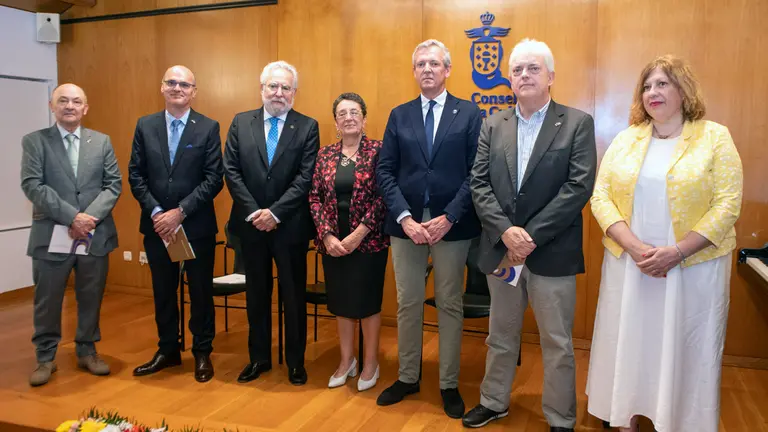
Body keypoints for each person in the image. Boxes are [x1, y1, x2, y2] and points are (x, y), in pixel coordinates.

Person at [586, 55, 743, 432]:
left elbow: (728, 203)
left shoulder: (714, 137)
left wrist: (676, 251)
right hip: (632, 265)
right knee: (631, 343)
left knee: (683, 347)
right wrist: (637, 247)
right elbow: (600, 197)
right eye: (647, 85)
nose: (652, 92)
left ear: (683, 90)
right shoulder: (627, 139)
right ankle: (626, 417)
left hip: (693, 269)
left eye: (662, 84)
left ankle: (678, 421)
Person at [464, 38, 597, 431]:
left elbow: (578, 188)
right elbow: (479, 184)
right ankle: (493, 401)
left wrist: (530, 236)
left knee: (557, 343)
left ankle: (560, 417)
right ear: (509, 79)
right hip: (504, 252)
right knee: (500, 334)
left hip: (551, 253)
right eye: (518, 69)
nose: (524, 75)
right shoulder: (494, 123)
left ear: (551, 77)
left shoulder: (576, 123)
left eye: (533, 68)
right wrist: (507, 233)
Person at [376, 39, 482, 418]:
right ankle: (408, 377)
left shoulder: (469, 114)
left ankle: (448, 384)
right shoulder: (399, 114)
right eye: (420, 63)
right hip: (406, 225)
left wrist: (449, 215)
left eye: (434, 63)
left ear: (448, 69)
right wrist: (404, 216)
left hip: (451, 226)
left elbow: (476, 173)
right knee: (407, 303)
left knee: (450, 304)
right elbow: (384, 170)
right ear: (414, 70)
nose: (427, 69)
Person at [224, 60, 320, 386]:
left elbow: (305, 177)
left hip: (289, 226)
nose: (279, 93)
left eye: (286, 88)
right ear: (262, 88)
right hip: (251, 227)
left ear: (294, 92)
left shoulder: (307, 126)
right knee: (257, 295)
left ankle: (295, 361)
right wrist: (255, 212)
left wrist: (275, 212)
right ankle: (259, 358)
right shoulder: (240, 122)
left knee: (293, 298)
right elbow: (232, 172)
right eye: (273, 86)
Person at [21, 83, 122, 386]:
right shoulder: (35, 142)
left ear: (85, 108)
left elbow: (113, 184)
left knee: (90, 296)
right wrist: (72, 217)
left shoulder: (101, 141)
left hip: (95, 234)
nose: (69, 106)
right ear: (52, 106)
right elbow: (32, 185)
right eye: (62, 101)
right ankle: (45, 357)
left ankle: (87, 351)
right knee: (47, 299)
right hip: (52, 234)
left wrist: (88, 219)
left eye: (76, 101)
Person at [128, 65, 224, 383]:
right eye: (172, 82)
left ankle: (201, 352)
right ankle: (168, 350)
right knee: (163, 292)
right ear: (162, 87)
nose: (177, 88)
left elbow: (213, 179)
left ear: (194, 91)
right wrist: (157, 212)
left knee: (199, 292)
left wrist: (180, 212)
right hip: (157, 227)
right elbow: (136, 174)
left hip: (195, 227)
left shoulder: (208, 128)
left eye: (184, 84)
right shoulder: (145, 126)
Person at [309, 93, 389, 392]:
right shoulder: (325, 154)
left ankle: (370, 363)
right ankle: (347, 361)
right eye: (342, 113)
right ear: (336, 122)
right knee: (342, 304)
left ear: (364, 118)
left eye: (354, 112)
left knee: (367, 304)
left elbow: (384, 196)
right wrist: (327, 235)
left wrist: (358, 234)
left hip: (368, 243)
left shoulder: (379, 151)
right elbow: (314, 197)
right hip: (333, 244)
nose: (348, 117)